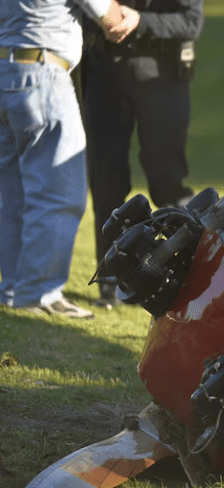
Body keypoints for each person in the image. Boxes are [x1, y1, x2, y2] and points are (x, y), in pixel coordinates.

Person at [0, 0, 135, 319]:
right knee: (60, 193)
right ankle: (39, 294)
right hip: (42, 75)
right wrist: (127, 16)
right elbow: (111, 19)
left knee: (13, 195)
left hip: (5, 73)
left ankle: (13, 290)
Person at [81, 0, 204, 307]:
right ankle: (110, 281)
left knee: (167, 182)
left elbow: (190, 22)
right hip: (103, 74)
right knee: (106, 181)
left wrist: (139, 20)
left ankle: (193, 274)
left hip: (161, 76)